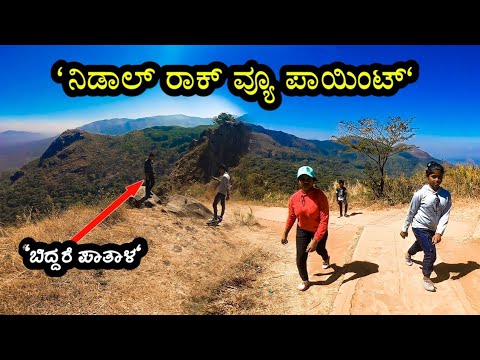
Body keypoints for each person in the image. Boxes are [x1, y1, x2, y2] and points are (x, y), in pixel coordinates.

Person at [400, 161, 452, 292]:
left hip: (432, 228)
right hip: (419, 226)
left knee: (421, 245)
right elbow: (411, 211)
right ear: (427, 176)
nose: (437, 179)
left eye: (439, 177)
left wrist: (439, 232)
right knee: (430, 252)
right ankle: (426, 278)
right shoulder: (420, 194)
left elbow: (445, 214)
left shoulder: (446, 195)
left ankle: (408, 253)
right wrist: (404, 228)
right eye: (433, 176)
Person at [280, 165, 330, 291]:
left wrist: (315, 240)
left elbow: (324, 220)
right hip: (302, 229)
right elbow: (291, 216)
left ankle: (326, 258)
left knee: (320, 249)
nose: (305, 181)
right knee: (300, 256)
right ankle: (305, 280)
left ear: (313, 180)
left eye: (308, 178)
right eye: (302, 178)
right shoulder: (294, 198)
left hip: (318, 229)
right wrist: (285, 233)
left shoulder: (320, 196)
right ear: (298, 181)